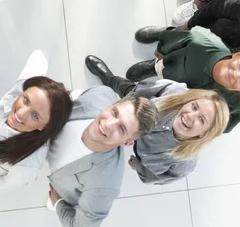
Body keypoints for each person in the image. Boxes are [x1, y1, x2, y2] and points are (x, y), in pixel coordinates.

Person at [84, 56, 229, 184]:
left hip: (137, 147)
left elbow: (157, 178)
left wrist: (138, 166)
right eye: (194, 106)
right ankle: (108, 77)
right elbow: (139, 92)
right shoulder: (174, 92)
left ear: (204, 133)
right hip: (137, 110)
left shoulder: (184, 163)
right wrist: (117, 110)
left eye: (201, 119)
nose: (190, 116)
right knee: (122, 87)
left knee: (102, 148)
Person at [125, 26, 240, 131]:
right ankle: (154, 66)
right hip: (173, 66)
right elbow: (173, 40)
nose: (236, 75)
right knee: (164, 63)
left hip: (183, 105)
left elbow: (224, 124)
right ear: (239, 55)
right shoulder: (200, 41)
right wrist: (162, 50)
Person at [47, 86, 158, 227]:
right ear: (112, 104)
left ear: (127, 142)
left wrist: (58, 203)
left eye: (121, 128)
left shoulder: (104, 185)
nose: (108, 124)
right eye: (115, 112)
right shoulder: (101, 94)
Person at [0, 50, 73, 190]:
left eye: (35, 115)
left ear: (44, 126)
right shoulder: (21, 91)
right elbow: (37, 60)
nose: (20, 113)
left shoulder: (27, 165)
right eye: (26, 100)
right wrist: (42, 54)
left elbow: (8, 183)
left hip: (0, 166)